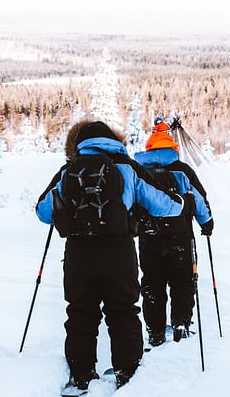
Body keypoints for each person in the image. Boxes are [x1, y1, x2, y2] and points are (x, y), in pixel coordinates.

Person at [35, 120, 188, 391]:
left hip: (78, 254)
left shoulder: (69, 170)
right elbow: (167, 205)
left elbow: (43, 211)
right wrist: (181, 201)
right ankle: (127, 376)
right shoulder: (126, 167)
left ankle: (81, 377)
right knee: (123, 313)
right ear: (114, 140)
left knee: (80, 313)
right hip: (119, 252)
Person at [133, 118, 213, 347]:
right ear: (171, 147)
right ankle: (181, 323)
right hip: (181, 237)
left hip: (149, 239)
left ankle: (155, 331)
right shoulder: (182, 171)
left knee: (152, 283)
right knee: (183, 281)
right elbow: (199, 200)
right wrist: (206, 223)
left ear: (149, 148)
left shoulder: (139, 173)